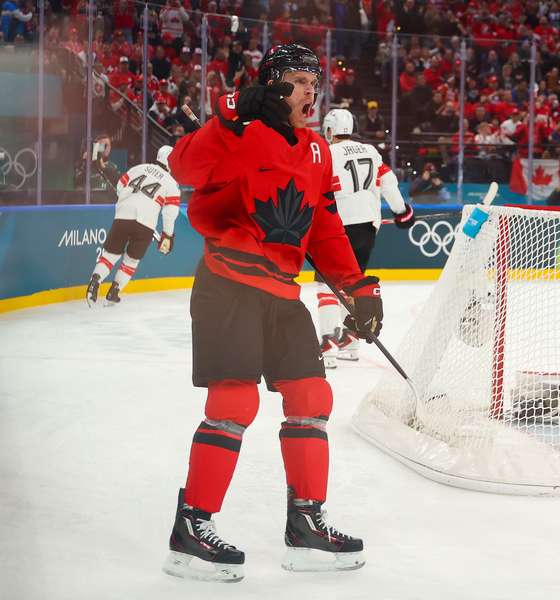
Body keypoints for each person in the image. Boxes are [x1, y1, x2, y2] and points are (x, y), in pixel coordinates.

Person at [162, 43, 377, 582]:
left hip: (283, 292)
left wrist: (360, 289)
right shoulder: (241, 132)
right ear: (275, 86)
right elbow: (184, 165)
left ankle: (306, 526)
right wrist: (229, 117)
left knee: (311, 397)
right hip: (228, 284)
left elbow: (325, 227)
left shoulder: (317, 151)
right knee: (233, 401)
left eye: (315, 81)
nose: (313, 91)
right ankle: (191, 531)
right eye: (301, 81)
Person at [317, 108, 414, 367]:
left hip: (337, 226)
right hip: (368, 227)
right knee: (353, 283)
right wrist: (402, 212)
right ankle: (351, 340)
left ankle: (328, 343)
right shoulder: (370, 151)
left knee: (325, 284)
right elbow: (389, 183)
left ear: (329, 130)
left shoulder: (327, 152)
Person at [85, 146, 179, 307]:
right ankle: (114, 291)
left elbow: (121, 187)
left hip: (123, 215)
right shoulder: (172, 184)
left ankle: (95, 280)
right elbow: (170, 212)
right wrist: (167, 235)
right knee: (131, 260)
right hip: (146, 223)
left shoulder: (139, 168)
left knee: (110, 255)